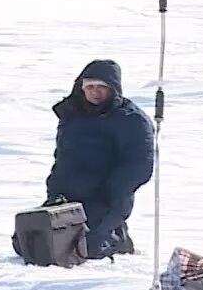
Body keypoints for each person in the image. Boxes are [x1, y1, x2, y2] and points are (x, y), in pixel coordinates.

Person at [39, 59, 154, 259]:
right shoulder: (73, 115)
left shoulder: (131, 119)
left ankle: (118, 240)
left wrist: (112, 193)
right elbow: (64, 156)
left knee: (90, 248)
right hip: (67, 196)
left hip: (106, 198)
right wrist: (55, 190)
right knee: (34, 243)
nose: (95, 92)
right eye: (90, 86)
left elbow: (139, 165)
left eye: (102, 87)